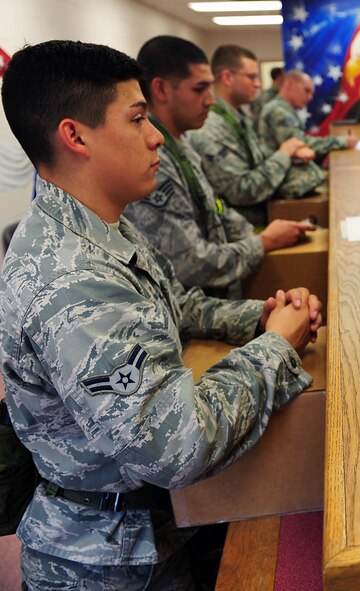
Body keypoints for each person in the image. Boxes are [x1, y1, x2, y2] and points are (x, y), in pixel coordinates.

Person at [0, 40, 323, 589]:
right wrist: (276, 348)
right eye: (137, 118)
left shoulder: (103, 227)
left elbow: (178, 305)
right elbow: (175, 446)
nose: (155, 138)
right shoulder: (73, 281)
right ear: (75, 135)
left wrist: (261, 317)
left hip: (143, 531)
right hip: (107, 562)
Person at [126, 36, 315, 300]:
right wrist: (262, 242)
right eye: (199, 89)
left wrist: (258, 235)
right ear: (161, 90)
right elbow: (191, 263)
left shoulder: (182, 144)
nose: (211, 100)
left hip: (216, 288)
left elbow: (214, 208)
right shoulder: (154, 160)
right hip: (195, 303)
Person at [189, 45, 325, 226]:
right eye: (251, 77)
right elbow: (242, 190)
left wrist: (290, 157)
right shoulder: (210, 127)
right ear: (227, 77)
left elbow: (260, 159)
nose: (258, 84)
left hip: (263, 215)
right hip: (245, 227)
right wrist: (284, 154)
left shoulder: (238, 116)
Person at [257, 70, 357, 158]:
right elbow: (299, 143)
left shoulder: (284, 108)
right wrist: (342, 142)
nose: (310, 98)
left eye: (311, 93)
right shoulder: (277, 110)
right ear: (290, 84)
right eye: (307, 91)